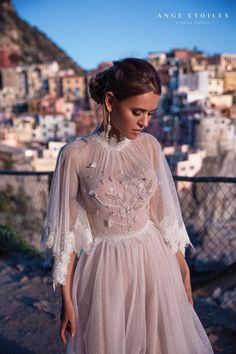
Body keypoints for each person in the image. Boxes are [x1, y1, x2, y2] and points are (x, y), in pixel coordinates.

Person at [41, 57, 214, 354]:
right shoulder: (75, 156)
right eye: (137, 112)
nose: (145, 122)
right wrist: (66, 298)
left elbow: (161, 215)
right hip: (106, 269)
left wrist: (182, 269)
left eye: (150, 113)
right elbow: (68, 236)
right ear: (110, 101)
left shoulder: (150, 146)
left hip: (154, 262)